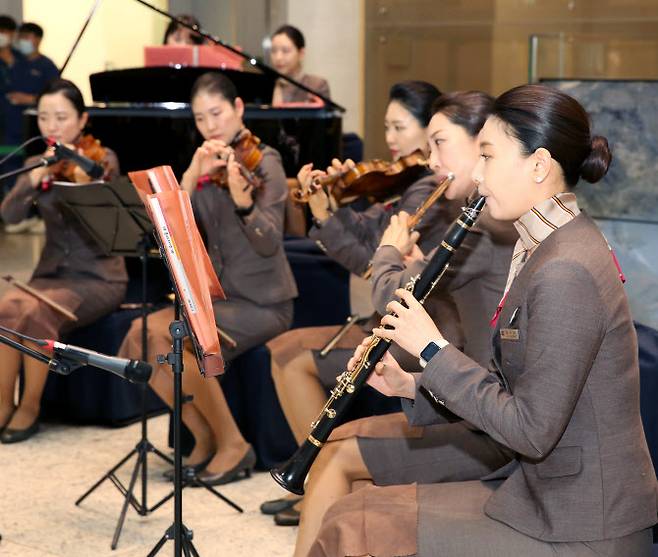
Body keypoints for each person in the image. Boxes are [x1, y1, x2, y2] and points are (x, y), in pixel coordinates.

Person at [304, 84, 658, 557]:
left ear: (538, 165)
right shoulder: (545, 242)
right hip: (542, 492)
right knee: (351, 513)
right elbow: (510, 387)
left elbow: (530, 430)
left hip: (580, 523)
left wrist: (432, 350)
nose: (477, 172)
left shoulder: (566, 269)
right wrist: (414, 386)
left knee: (358, 525)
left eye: (488, 156)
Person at [290, 90, 518, 554]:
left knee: (336, 457)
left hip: (487, 421)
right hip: (466, 395)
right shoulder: (471, 215)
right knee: (337, 451)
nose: (430, 159)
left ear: (483, 145)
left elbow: (387, 290)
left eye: (439, 144)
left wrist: (392, 251)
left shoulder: (483, 225)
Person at [263, 81, 467, 525]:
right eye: (387, 127)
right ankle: (314, 481)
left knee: (291, 356)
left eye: (401, 128)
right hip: (388, 315)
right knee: (283, 351)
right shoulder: (410, 184)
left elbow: (369, 264)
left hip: (410, 330)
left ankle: (316, 482)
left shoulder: (428, 192)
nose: (391, 140)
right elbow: (366, 232)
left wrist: (338, 221)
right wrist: (327, 203)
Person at [118, 71, 298, 485]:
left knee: (171, 338)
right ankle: (203, 437)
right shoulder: (206, 162)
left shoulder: (264, 160)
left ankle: (234, 445)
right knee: (137, 335)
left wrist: (242, 202)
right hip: (216, 298)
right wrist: (190, 174)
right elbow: (173, 230)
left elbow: (270, 242)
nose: (210, 126)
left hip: (261, 303)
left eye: (216, 113)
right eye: (200, 119)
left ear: (237, 109)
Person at [0, 79, 125, 443]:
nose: (51, 126)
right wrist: (29, 182)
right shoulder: (37, 161)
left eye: (61, 117)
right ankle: (3, 403)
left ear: (83, 119)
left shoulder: (102, 160)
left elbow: (109, 227)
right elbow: (9, 218)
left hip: (98, 277)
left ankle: (31, 407)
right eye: (43, 117)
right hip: (51, 273)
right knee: (7, 308)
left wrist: (86, 184)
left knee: (36, 313)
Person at [270, 24, 330, 105]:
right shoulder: (265, 85)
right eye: (274, 51)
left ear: (301, 53)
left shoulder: (316, 85)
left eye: (285, 51)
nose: (278, 57)